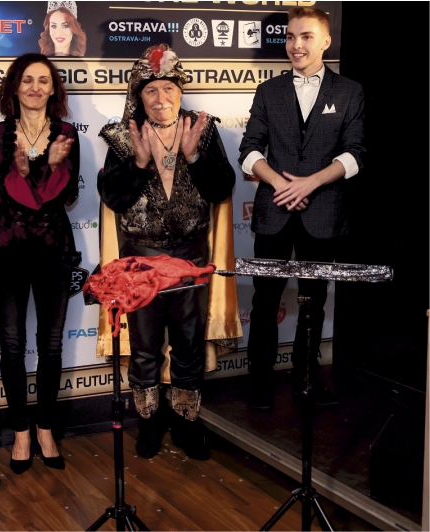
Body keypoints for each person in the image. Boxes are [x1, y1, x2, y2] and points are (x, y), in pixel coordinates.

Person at [98, 44, 235, 461]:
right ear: (138, 96)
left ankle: (186, 424)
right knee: (144, 349)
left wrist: (194, 156)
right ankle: (149, 424)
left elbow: (222, 188)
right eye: (151, 90)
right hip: (141, 258)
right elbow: (113, 197)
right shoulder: (124, 136)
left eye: (168, 88)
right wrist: (138, 164)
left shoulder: (203, 130)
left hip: (191, 257)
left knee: (189, 346)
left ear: (180, 90)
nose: (161, 98)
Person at [238, 6, 365, 412]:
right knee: (264, 301)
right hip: (274, 209)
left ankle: (306, 381)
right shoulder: (268, 90)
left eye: (306, 36)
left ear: (326, 41)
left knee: (314, 300)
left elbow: (355, 154)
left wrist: (310, 183)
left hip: (323, 213)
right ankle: (259, 383)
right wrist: (281, 184)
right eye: (290, 37)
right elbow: (249, 150)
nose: (296, 45)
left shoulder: (349, 91)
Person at [0, 53, 80, 474]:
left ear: (53, 88)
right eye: (27, 80)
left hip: (54, 250)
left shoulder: (67, 133)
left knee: (51, 344)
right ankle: (21, 431)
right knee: (11, 344)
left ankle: (45, 428)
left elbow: (66, 196)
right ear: (14, 86)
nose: (35, 87)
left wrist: (33, 172)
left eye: (44, 80)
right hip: (9, 250)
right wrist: (35, 171)